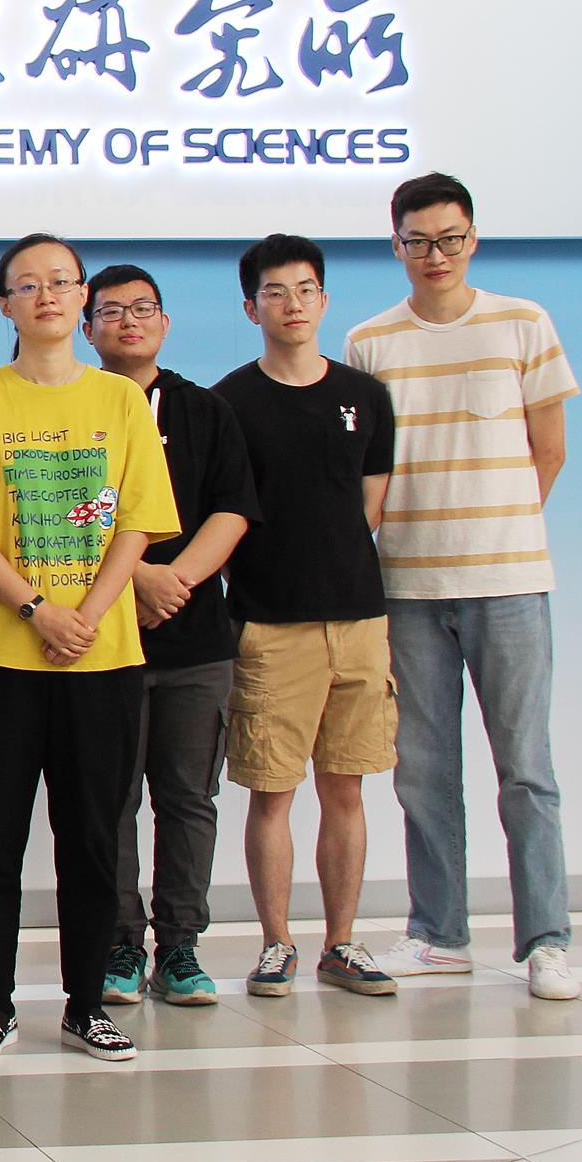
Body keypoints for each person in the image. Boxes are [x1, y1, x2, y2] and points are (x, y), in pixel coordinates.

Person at [0, 234, 178, 1063]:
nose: (45, 296)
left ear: (80, 298)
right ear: (4, 304)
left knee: (93, 839)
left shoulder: (121, 401)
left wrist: (86, 615)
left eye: (60, 282)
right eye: (26, 285)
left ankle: (84, 1003)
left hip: (99, 660)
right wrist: (37, 610)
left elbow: (137, 521)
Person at [347, 173, 580, 1000]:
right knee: (422, 771)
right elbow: (364, 472)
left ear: (471, 239)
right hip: (406, 585)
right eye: (417, 241)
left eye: (448, 239)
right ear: (396, 246)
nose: (434, 255)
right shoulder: (370, 341)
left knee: (524, 768)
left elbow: (548, 449)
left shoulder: (522, 323)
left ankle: (545, 941)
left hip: (508, 581)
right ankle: (438, 934)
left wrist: (493, 530)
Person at [216, 234, 402, 999]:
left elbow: (368, 504)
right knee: (271, 792)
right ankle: (275, 944)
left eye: (303, 290)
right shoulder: (229, 401)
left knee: (346, 790)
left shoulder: (365, 396)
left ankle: (341, 943)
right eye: (273, 292)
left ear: (323, 299)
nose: (290, 305)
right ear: (249, 307)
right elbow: (225, 515)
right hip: (270, 622)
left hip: (357, 620)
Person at [84, 265, 256, 1010]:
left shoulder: (205, 410)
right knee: (111, 800)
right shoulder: (73, 408)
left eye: (142, 308)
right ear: (87, 326)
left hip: (195, 646)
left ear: (164, 322)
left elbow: (232, 509)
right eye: (111, 311)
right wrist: (135, 581)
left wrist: (173, 580)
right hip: (99, 641)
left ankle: (180, 946)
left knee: (188, 798)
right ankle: (119, 942)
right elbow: (57, 517)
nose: (128, 321)